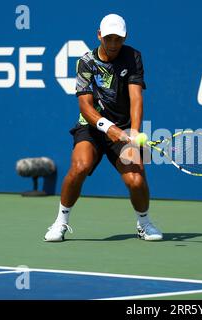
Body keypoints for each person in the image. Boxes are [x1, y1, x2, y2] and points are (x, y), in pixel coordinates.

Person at [44, 14, 162, 242]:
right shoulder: (86, 61)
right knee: (79, 167)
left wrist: (134, 131)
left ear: (124, 37)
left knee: (136, 180)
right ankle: (60, 222)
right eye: (109, 38)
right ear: (99, 35)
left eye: (118, 38)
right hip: (91, 126)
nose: (113, 43)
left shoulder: (133, 57)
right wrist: (108, 128)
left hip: (125, 127)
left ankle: (144, 223)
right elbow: (85, 107)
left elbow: (136, 98)